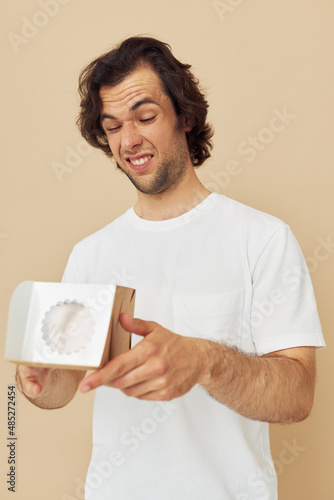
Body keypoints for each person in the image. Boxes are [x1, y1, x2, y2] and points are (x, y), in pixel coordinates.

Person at [17, 36, 325, 499]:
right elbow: (62, 384)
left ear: (185, 115)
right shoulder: (90, 254)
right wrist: (38, 381)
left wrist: (204, 361)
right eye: (114, 125)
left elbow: (298, 395)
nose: (129, 140)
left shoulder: (262, 238)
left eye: (145, 116)